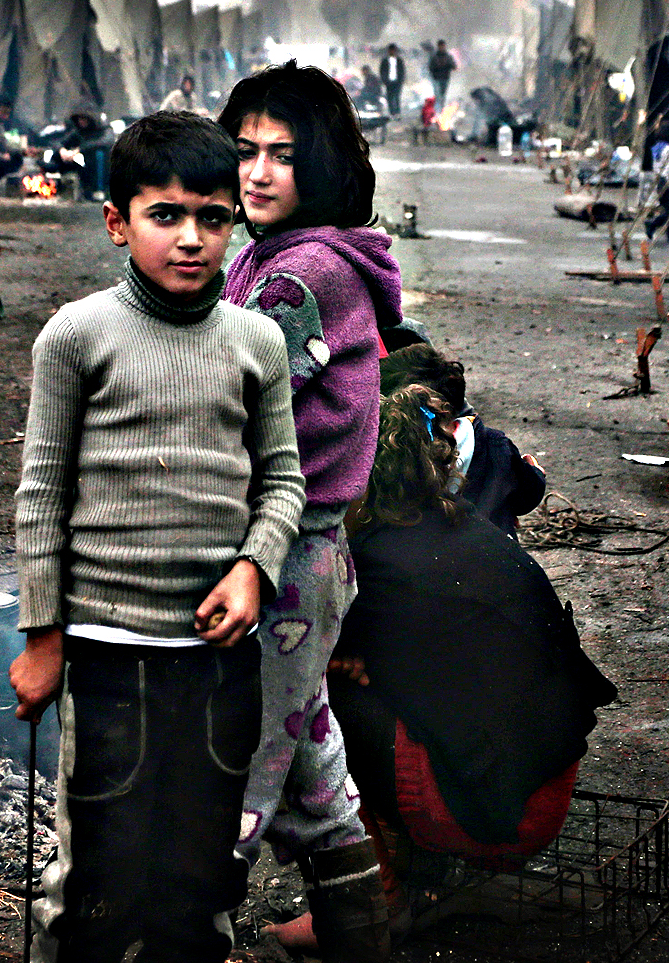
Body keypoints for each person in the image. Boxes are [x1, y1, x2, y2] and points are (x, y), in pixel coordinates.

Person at [9, 111, 307, 963]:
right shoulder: (76, 335)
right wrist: (43, 637)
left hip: (218, 663)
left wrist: (255, 568)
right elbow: (41, 495)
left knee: (200, 880)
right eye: (165, 215)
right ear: (117, 222)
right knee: (96, 886)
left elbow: (283, 480)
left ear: (235, 224)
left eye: (213, 218)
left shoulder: (256, 341)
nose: (191, 239)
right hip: (106, 656)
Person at [221, 60, 401, 962]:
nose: (256, 171)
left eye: (282, 156)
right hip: (304, 552)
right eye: (246, 150)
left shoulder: (301, 277)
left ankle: (184, 927)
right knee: (311, 767)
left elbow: (236, 413)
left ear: (319, 165)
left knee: (236, 771)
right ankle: (357, 936)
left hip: (282, 557)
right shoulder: (270, 255)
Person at [329, 386, 616, 925]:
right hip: (544, 788)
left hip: (492, 818)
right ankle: (418, 871)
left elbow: (314, 662)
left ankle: (374, 900)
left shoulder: (373, 564)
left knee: (305, 714)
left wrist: (336, 662)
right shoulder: (466, 527)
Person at [378, 343, 545, 541]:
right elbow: (525, 498)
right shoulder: (493, 444)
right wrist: (535, 471)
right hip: (493, 556)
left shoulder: (388, 453)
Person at [427, 40, 456, 114]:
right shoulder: (434, 56)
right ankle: (437, 111)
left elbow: (454, 66)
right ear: (438, 46)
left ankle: (441, 109)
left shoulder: (448, 56)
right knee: (437, 94)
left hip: (445, 78)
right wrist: (435, 69)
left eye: (443, 46)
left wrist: (449, 65)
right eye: (440, 46)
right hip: (436, 78)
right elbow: (430, 67)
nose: (441, 47)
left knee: (443, 95)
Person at [377, 44, 405, 119]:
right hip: (388, 82)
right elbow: (381, 71)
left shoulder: (399, 60)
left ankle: (397, 113)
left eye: (393, 50)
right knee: (389, 97)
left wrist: (401, 80)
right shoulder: (385, 60)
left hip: (397, 82)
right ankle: (392, 113)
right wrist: (384, 81)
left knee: (397, 97)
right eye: (390, 50)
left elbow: (402, 71)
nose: (392, 51)